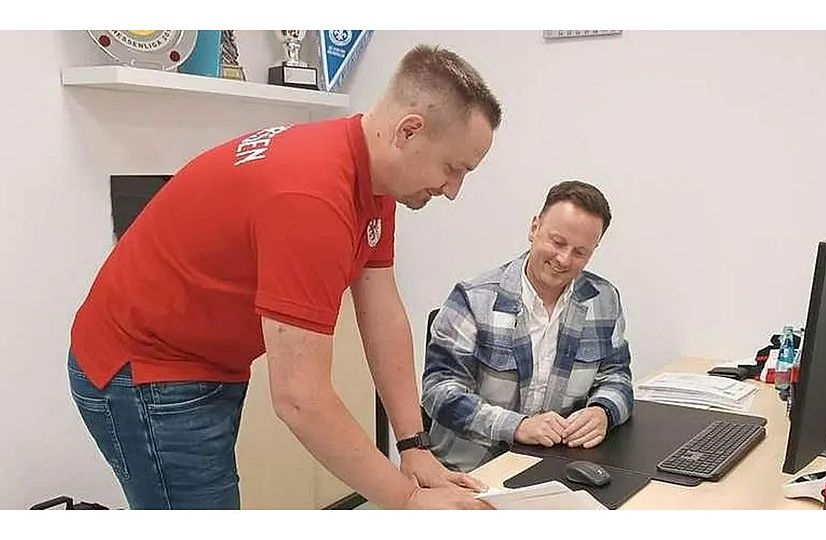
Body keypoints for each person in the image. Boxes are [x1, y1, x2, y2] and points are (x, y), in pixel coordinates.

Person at [67, 44, 502, 510]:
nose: (453, 191)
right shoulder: (312, 197)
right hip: (144, 368)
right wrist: (407, 502)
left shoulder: (373, 177)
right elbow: (299, 398)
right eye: (453, 168)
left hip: (205, 358)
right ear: (408, 131)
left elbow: (382, 312)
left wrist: (413, 445)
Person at [422, 180, 634, 472]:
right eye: (557, 242)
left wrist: (603, 411)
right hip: (470, 471)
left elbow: (616, 377)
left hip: (555, 466)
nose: (564, 259)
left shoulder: (603, 300)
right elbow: (439, 392)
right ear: (535, 228)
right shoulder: (473, 299)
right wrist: (517, 427)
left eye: (580, 252)